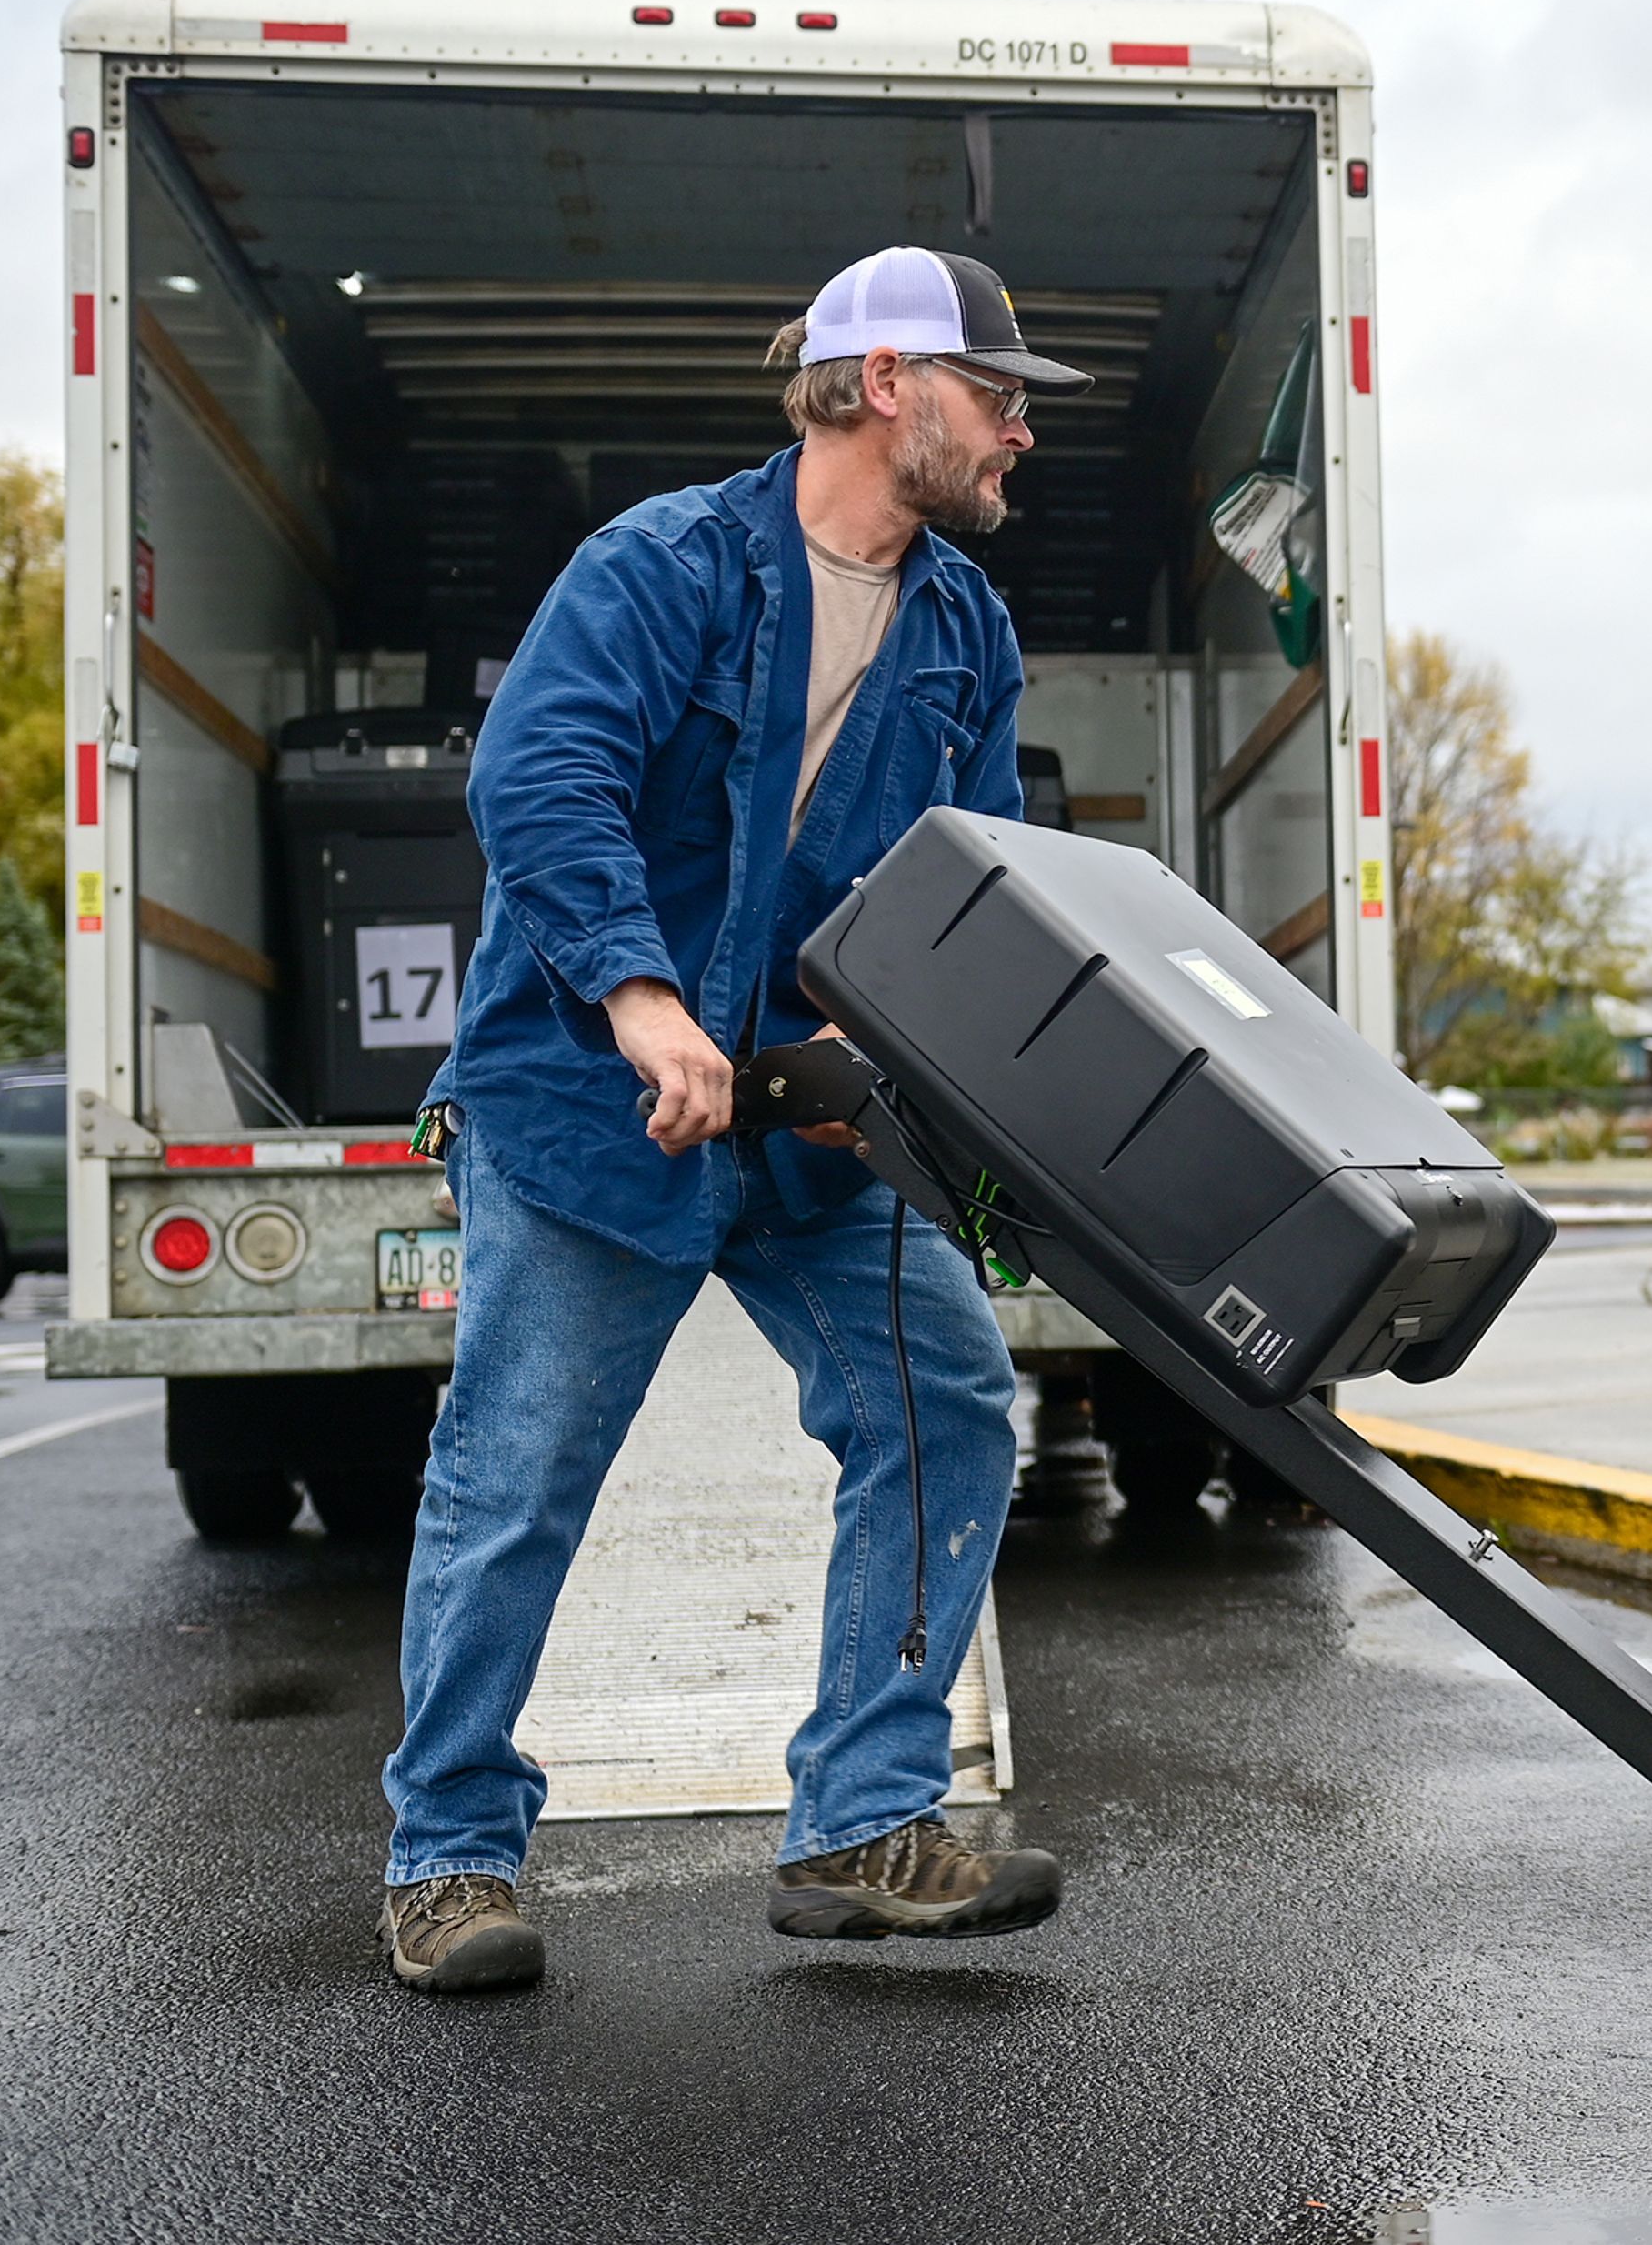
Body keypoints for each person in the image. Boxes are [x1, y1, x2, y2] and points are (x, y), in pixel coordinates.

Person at [376, 247, 1095, 1993]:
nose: (1019, 431)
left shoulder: (962, 627)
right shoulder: (667, 567)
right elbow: (539, 778)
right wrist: (638, 998)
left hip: (809, 1121)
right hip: (593, 1108)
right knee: (522, 1476)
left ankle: (863, 1819)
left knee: (941, 1408)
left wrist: (913, 1068)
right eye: (993, 395)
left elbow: (961, 882)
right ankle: (448, 1855)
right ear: (878, 389)